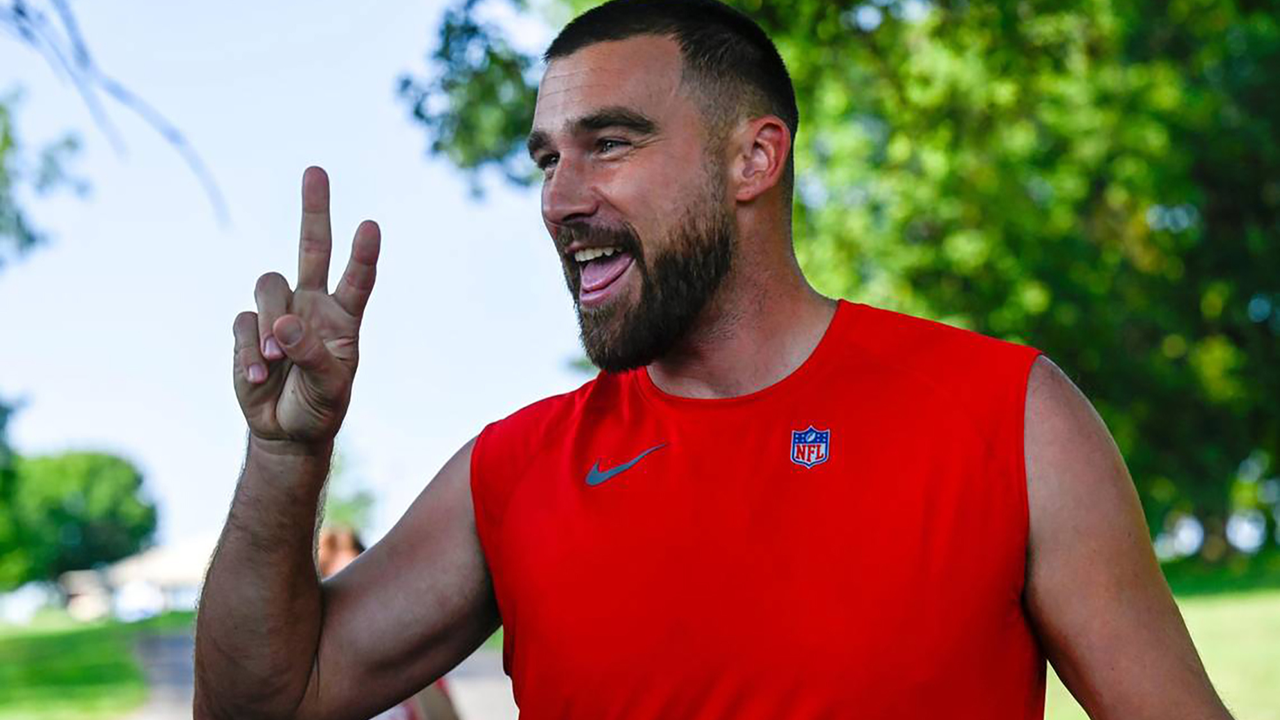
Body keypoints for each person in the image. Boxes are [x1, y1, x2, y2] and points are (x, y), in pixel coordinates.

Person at [193, 1, 1234, 718]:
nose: (558, 199)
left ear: (754, 157)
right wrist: (287, 463)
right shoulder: (511, 473)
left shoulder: (1006, 417)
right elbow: (265, 703)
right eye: (547, 158)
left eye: (608, 144)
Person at [315, 527, 463, 720]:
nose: (355, 605)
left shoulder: (408, 658)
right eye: (337, 593)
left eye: (360, 586)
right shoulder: (313, 686)